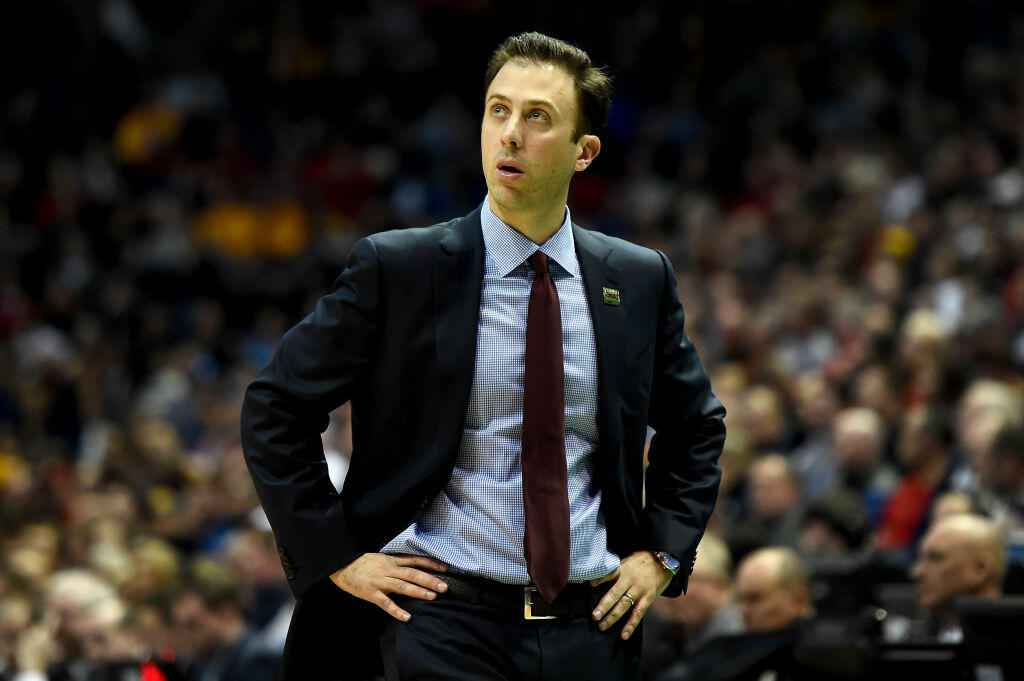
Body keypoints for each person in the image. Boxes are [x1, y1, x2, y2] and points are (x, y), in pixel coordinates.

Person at [240, 31, 726, 681]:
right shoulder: (399, 267)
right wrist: (337, 554)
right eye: (498, 110)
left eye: (537, 117)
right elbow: (275, 405)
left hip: (593, 628)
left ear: (584, 153)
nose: (510, 134)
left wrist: (661, 554)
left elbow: (696, 425)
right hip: (441, 621)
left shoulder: (637, 278)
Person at [883, 513, 1005, 643]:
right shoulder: (909, 642)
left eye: (935, 558)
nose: (916, 572)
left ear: (980, 569)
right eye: (921, 559)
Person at [733, 547, 812, 634]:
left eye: (755, 599)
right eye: (739, 600)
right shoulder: (731, 644)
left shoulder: (822, 645)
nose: (743, 612)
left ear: (798, 600)